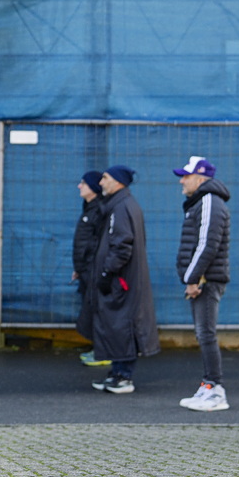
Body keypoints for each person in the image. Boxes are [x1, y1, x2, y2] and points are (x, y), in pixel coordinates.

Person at [90, 165, 160, 394]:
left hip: (121, 281)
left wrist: (107, 273)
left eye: (105, 178)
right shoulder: (119, 205)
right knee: (115, 326)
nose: (101, 183)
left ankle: (124, 376)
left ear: (119, 182)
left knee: (122, 326)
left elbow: (121, 246)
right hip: (121, 280)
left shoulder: (122, 207)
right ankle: (117, 373)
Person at [173, 156, 232, 411]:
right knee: (203, 334)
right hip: (202, 280)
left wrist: (193, 278)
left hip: (206, 281)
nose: (181, 181)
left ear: (200, 178)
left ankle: (215, 390)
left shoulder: (209, 201)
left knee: (206, 334)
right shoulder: (201, 202)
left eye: (186, 176)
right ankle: (208, 386)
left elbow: (207, 244)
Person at [72, 171, 109, 367]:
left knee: (99, 311)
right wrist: (79, 268)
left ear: (94, 187)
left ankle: (103, 352)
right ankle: (98, 348)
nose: (80, 186)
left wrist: (91, 266)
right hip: (86, 270)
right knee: (91, 310)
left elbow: (97, 244)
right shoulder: (90, 208)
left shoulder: (99, 210)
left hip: (94, 270)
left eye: (84, 183)